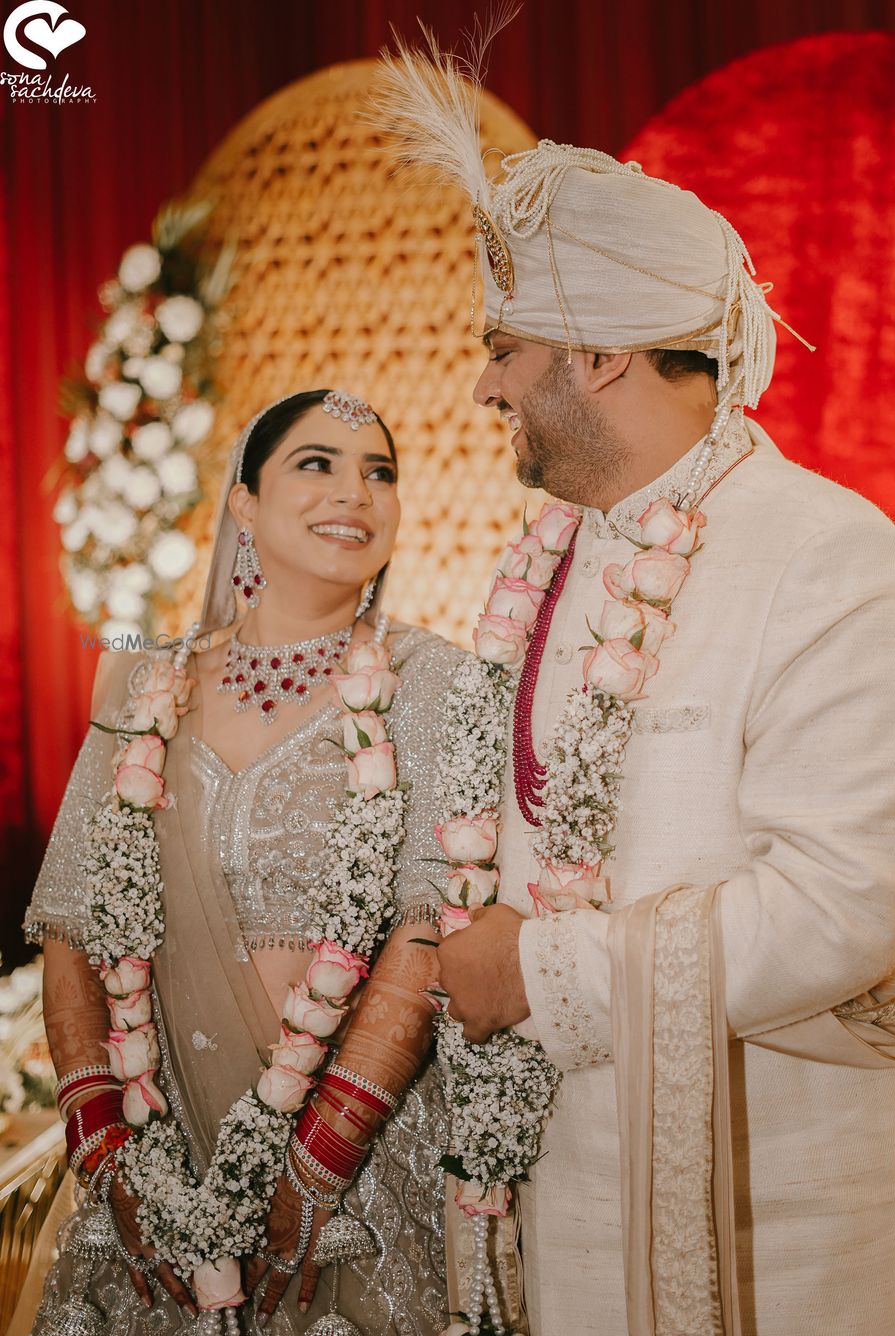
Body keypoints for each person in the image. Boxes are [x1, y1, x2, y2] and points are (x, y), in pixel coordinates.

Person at [371, 45, 895, 1336]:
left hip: (787, 1266)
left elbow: (843, 908)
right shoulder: (542, 563)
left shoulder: (831, 561)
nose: (485, 384)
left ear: (602, 354)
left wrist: (537, 970)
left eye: (507, 348)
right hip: (566, 1244)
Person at [22, 389, 464, 1336]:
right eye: (317, 463)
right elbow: (69, 923)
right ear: (245, 503)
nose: (355, 492)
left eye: (380, 473)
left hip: (359, 1165)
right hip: (160, 1147)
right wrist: (108, 1154)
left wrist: (318, 1161)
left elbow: (429, 928)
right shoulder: (144, 684)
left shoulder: (434, 681)